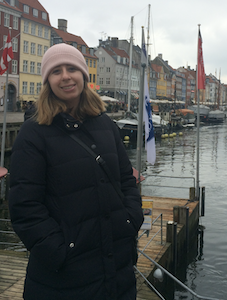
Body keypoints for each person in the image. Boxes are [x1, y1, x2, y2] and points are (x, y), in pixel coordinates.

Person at [9, 43, 144, 300]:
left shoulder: (105, 124)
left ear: (83, 74)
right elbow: (25, 206)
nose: (66, 76)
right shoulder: (34, 133)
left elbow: (126, 179)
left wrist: (130, 219)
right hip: (62, 279)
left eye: (72, 68)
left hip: (117, 270)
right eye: (56, 71)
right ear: (48, 80)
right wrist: (59, 251)